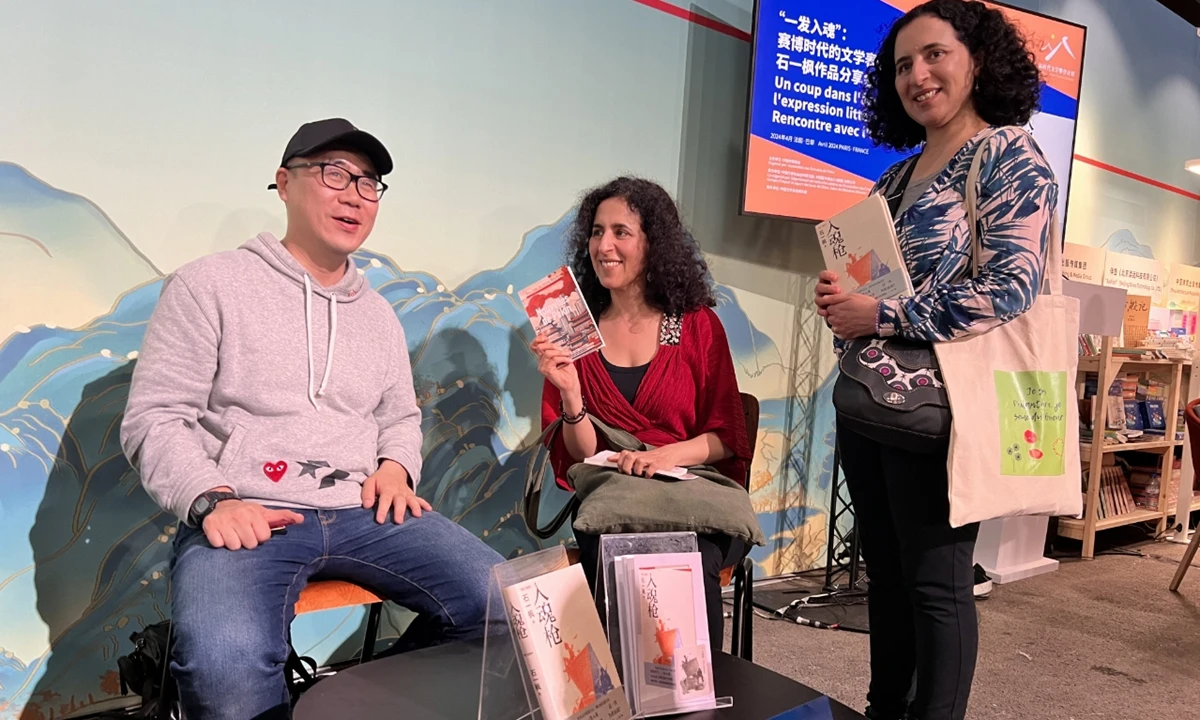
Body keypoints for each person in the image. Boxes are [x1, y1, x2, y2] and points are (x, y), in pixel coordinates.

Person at [121, 118, 505, 720]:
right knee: (226, 666)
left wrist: (396, 466)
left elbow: (399, 414)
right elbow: (155, 417)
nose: (354, 193)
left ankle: (337, 704)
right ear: (284, 182)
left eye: (370, 182)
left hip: (364, 510)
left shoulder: (378, 314)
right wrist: (212, 500)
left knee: (512, 604)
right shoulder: (209, 284)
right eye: (335, 173)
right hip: (249, 510)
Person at [813, 2, 1058, 719]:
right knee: (885, 576)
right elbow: (866, 290)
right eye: (901, 66)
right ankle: (884, 707)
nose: (917, 75)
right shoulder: (893, 180)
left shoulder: (1008, 153)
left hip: (946, 411)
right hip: (870, 406)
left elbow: (1012, 288)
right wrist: (841, 299)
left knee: (935, 582)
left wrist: (882, 313)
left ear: (977, 59)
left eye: (934, 55)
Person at [532, 176, 753, 650]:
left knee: (686, 559)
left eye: (620, 232)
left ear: (655, 243)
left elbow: (727, 437)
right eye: (596, 232)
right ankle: (617, 698)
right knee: (613, 549)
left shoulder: (696, 325)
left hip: (692, 499)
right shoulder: (575, 330)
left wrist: (665, 456)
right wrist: (571, 395)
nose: (604, 245)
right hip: (615, 499)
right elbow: (578, 458)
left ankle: (691, 696)